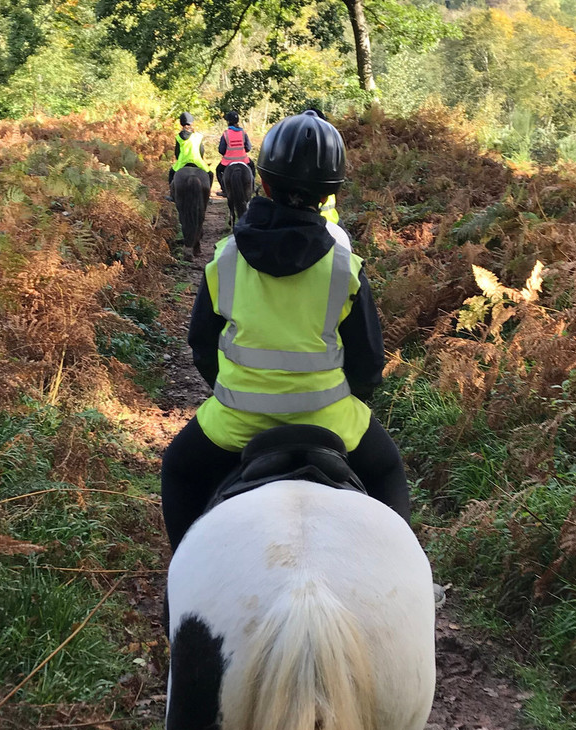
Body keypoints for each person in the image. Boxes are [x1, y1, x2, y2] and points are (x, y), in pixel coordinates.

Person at [161, 110, 411, 553]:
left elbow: (201, 346)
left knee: (178, 469)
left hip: (236, 421)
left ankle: (179, 577)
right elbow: (370, 365)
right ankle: (413, 577)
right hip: (331, 418)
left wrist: (234, 391)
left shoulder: (225, 259)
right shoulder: (345, 268)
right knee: (389, 469)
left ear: (265, 183)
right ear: (328, 196)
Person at [167, 112, 213, 201]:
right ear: (192, 123)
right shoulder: (198, 136)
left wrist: (179, 159)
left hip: (182, 162)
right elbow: (201, 151)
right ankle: (208, 195)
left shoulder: (178, 137)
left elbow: (177, 152)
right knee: (210, 174)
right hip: (197, 161)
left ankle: (172, 195)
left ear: (181, 123)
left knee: (171, 173)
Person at [215, 110, 255, 197]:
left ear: (228, 122)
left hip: (228, 161)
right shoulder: (243, 133)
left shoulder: (225, 134)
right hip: (244, 160)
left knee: (218, 170)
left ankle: (224, 190)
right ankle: (252, 187)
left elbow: (221, 150)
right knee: (252, 166)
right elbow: (248, 148)